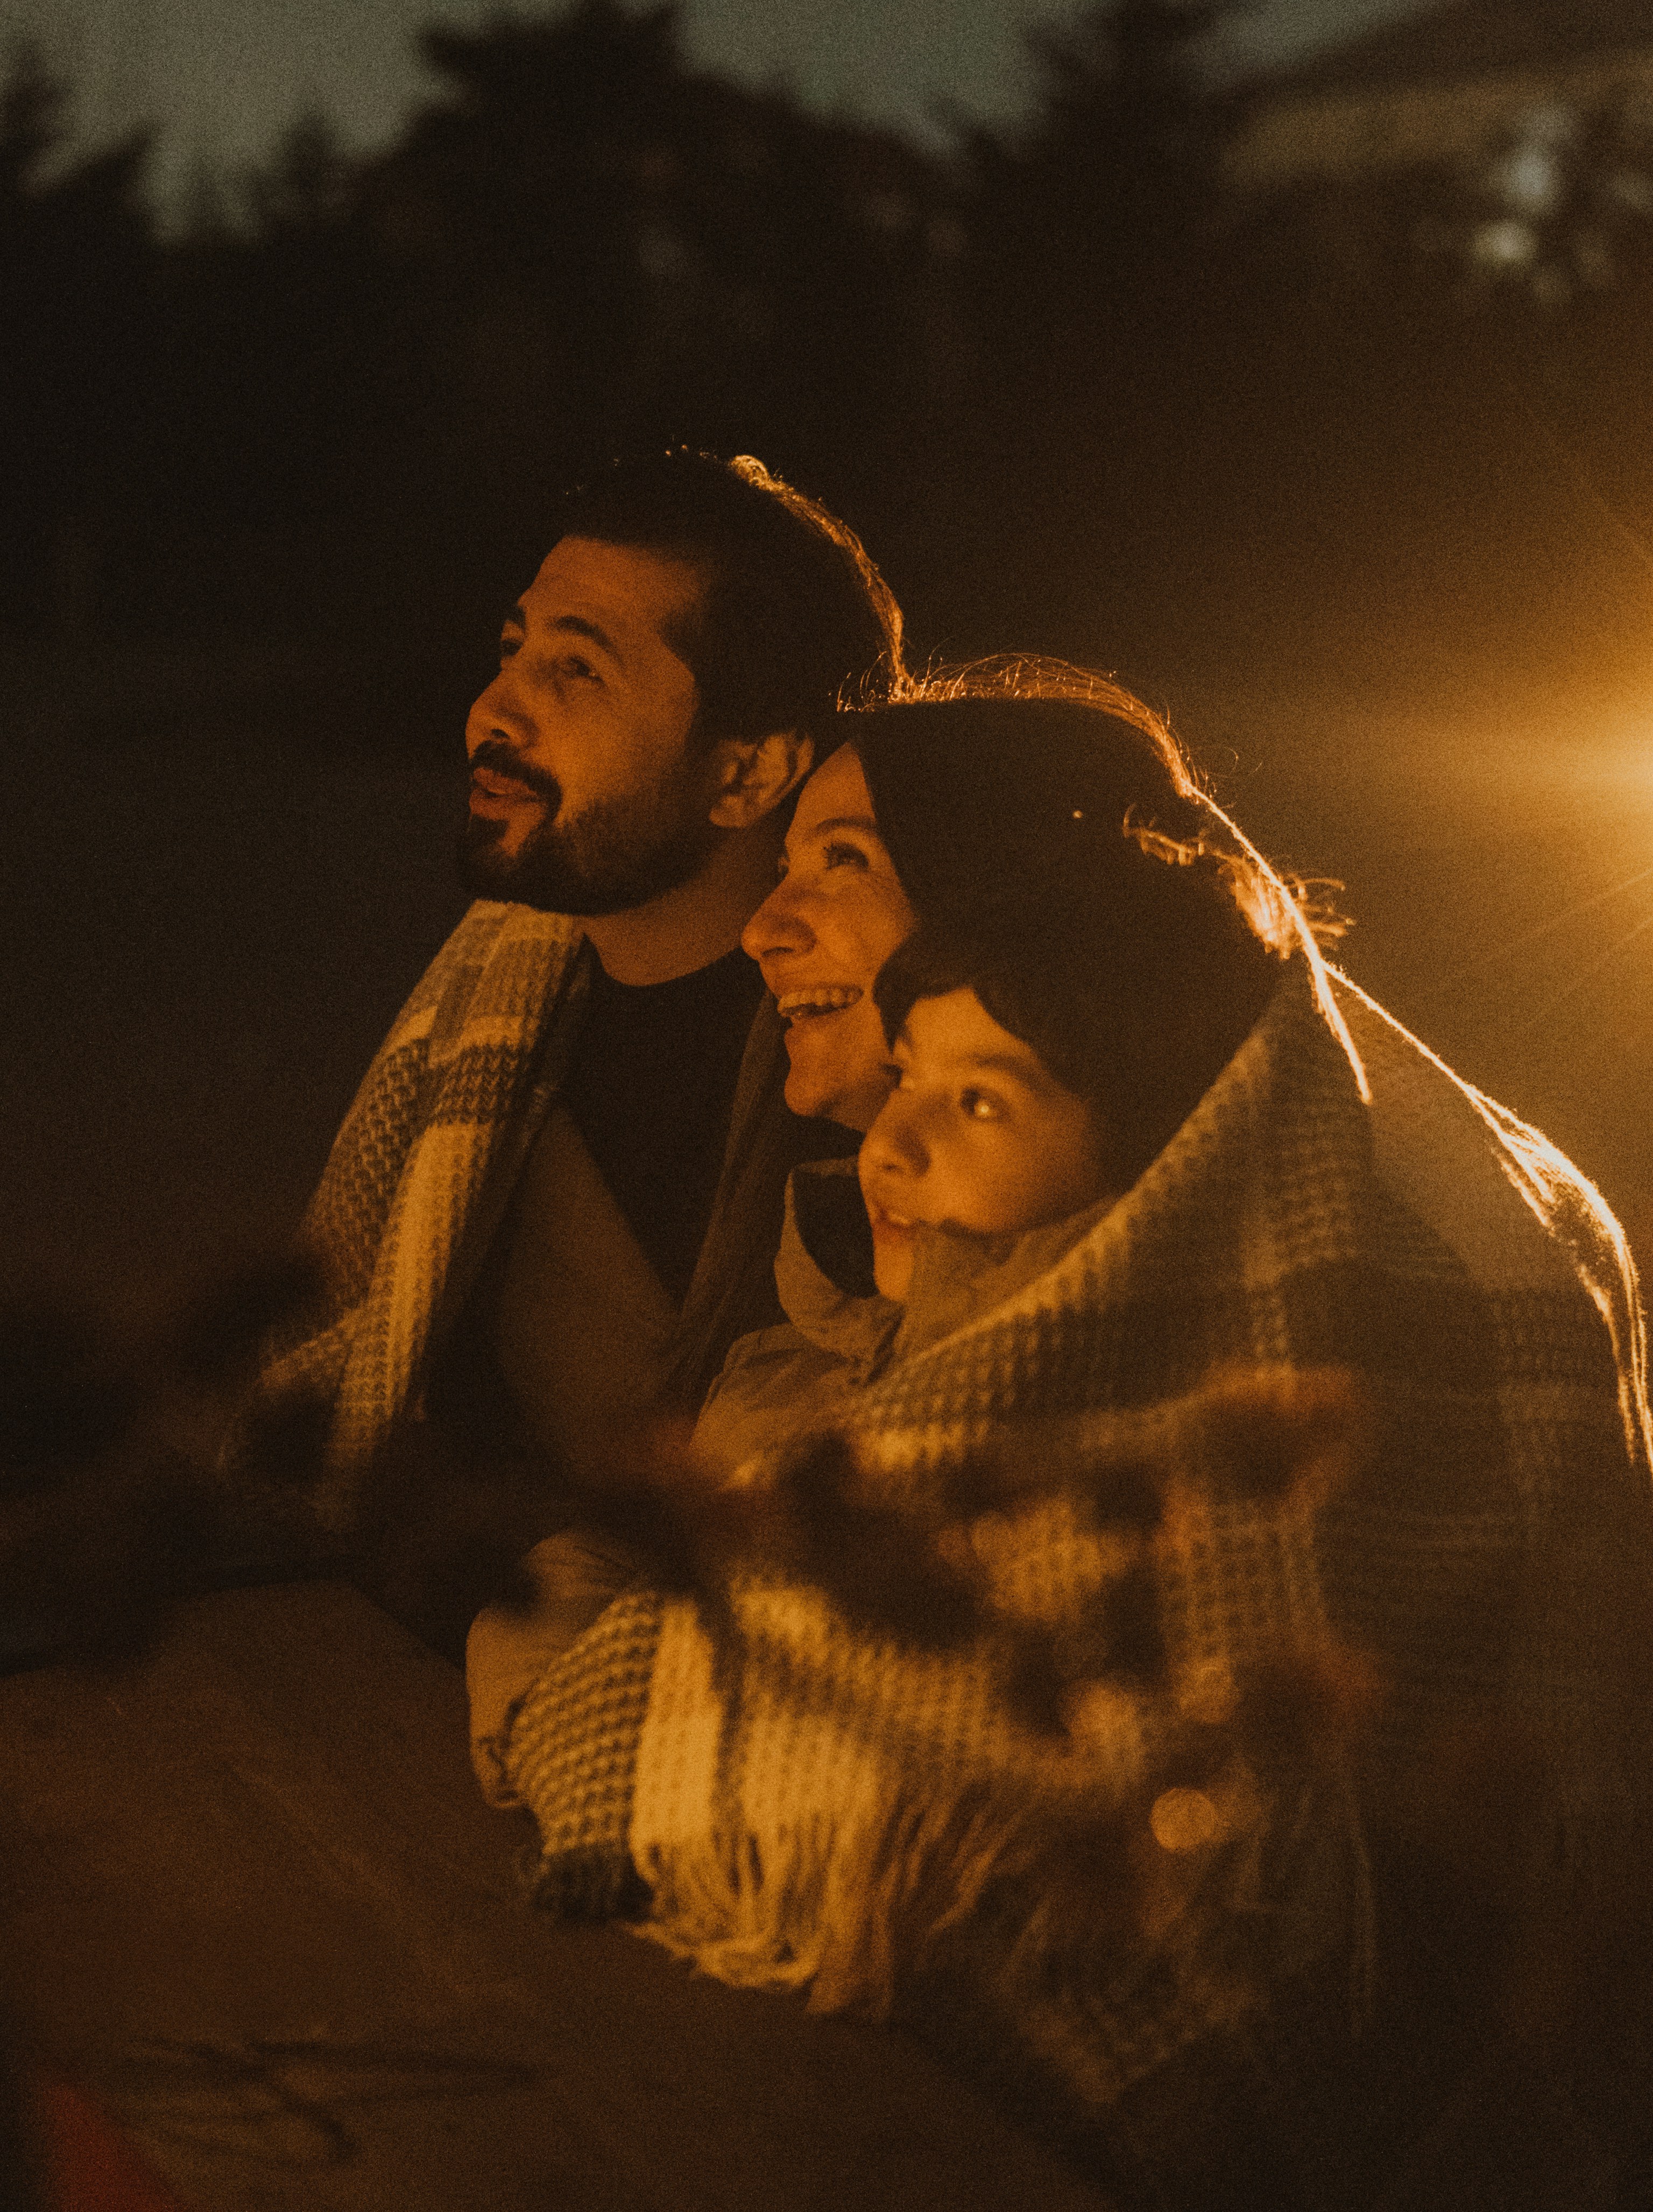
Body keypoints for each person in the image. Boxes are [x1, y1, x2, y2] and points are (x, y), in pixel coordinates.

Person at [486, 664, 1653, 2207]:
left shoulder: (1303, 1297)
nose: (769, 919)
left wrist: (590, 1655)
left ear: (1024, 909)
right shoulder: (870, 1246)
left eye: (841, 861)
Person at [241, 449, 903, 1652]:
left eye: (575, 672)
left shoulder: (859, 1082)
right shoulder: (513, 994)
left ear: (748, 768)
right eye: (512, 653)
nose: (492, 714)